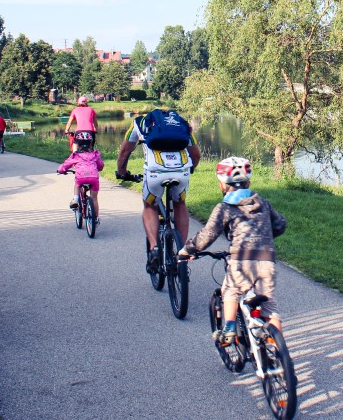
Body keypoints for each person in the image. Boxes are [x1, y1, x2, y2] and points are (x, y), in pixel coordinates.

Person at [178, 157, 286, 346]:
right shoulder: (263, 203)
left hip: (241, 260)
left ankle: (228, 330)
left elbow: (207, 235)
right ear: (249, 182)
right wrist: (265, 236)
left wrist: (188, 250)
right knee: (269, 307)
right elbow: (280, 225)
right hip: (267, 260)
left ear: (222, 184)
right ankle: (280, 354)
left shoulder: (225, 208)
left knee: (231, 291)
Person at [115, 108, 200, 269]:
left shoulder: (139, 122)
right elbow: (196, 154)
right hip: (181, 172)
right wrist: (191, 169)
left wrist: (122, 172)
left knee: (150, 206)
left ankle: (154, 248)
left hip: (155, 173)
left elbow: (124, 152)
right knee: (180, 205)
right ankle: (181, 253)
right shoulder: (181, 124)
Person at [56, 143, 105, 221]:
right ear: (90, 146)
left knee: (77, 184)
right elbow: (101, 165)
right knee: (94, 198)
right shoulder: (95, 154)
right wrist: (97, 168)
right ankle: (95, 218)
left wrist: (60, 170)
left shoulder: (75, 155)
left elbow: (66, 165)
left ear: (78, 146)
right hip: (93, 177)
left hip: (81, 177)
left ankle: (76, 199)